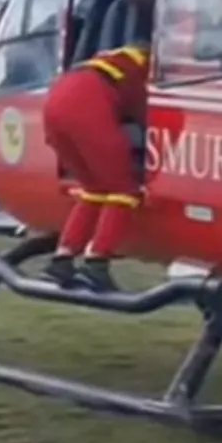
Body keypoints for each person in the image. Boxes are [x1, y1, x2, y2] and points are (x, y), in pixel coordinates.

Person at [39, 41, 149, 292]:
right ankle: (96, 262)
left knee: (93, 188)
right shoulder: (143, 67)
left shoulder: (108, 60)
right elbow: (143, 109)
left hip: (53, 107)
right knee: (124, 189)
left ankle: (61, 260)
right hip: (87, 108)